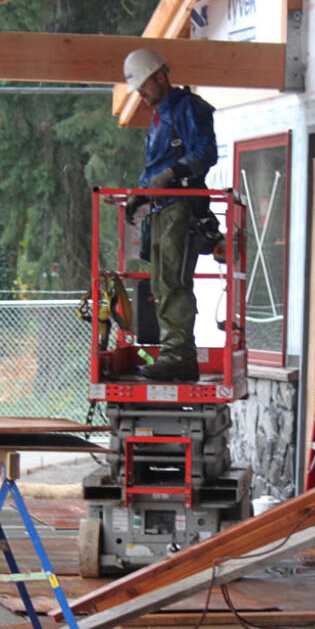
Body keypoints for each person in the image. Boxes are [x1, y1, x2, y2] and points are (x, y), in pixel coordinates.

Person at [122, 47, 218, 382]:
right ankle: (173, 353)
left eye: (144, 85)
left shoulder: (186, 109)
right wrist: (140, 194)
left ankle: (179, 357)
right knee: (163, 283)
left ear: (161, 76)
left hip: (181, 204)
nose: (141, 93)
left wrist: (172, 175)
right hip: (163, 207)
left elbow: (206, 152)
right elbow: (155, 166)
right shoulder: (160, 117)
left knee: (173, 282)